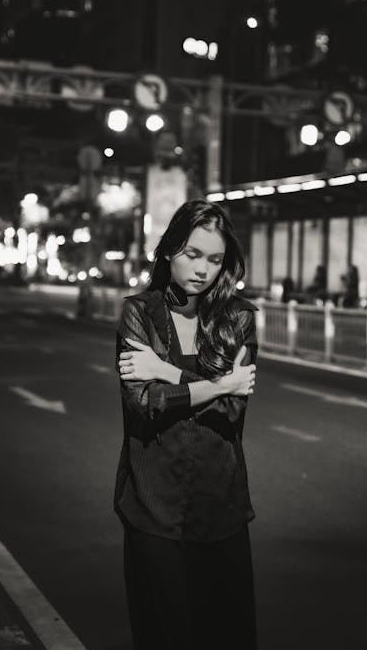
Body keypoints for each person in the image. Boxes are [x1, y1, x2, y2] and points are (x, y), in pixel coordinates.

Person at [114, 199, 258, 650]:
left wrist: (168, 371)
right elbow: (145, 404)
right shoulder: (140, 312)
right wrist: (219, 386)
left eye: (215, 260)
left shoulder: (238, 318)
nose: (203, 269)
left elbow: (233, 412)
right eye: (193, 254)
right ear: (170, 250)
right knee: (165, 636)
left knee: (226, 635)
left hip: (222, 506)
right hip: (154, 505)